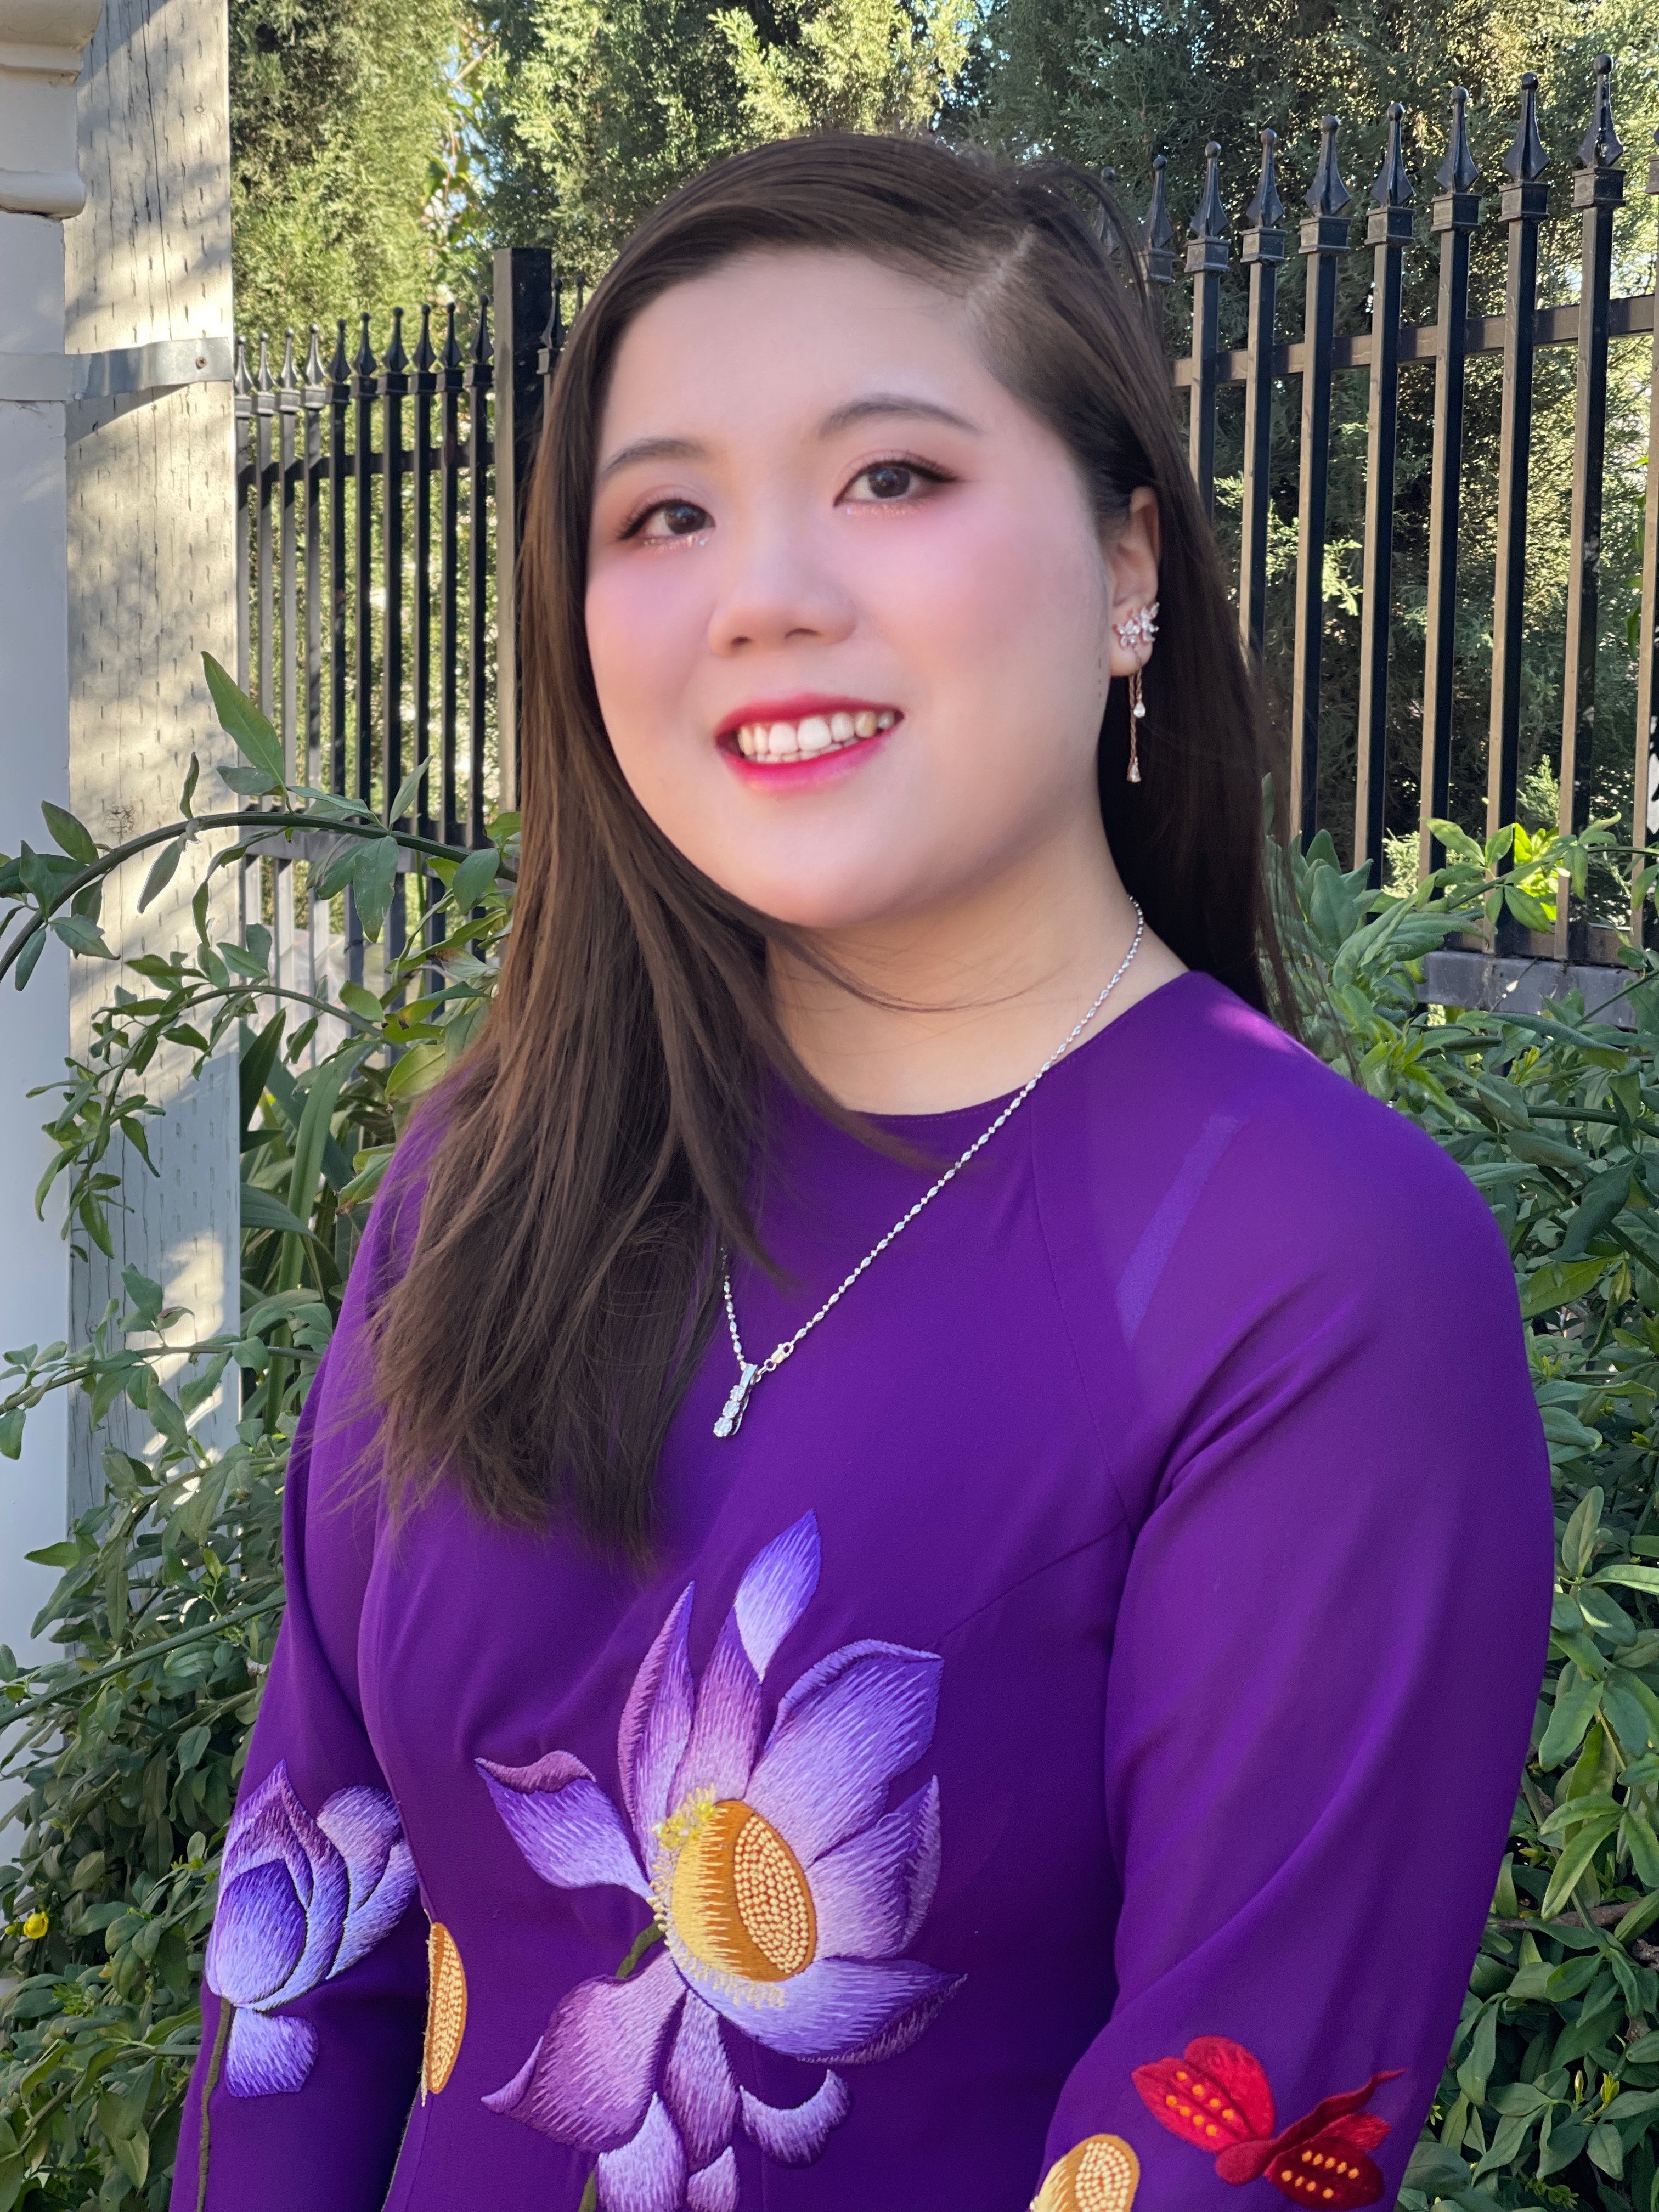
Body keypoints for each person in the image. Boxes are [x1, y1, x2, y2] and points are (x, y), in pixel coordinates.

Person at [174, 133, 1552, 2212]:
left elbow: (1231, 2146)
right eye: (666, 514)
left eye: (891, 478)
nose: (765, 593)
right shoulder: (488, 1178)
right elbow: (306, 1946)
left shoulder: (1317, 1273)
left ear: (1128, 572)